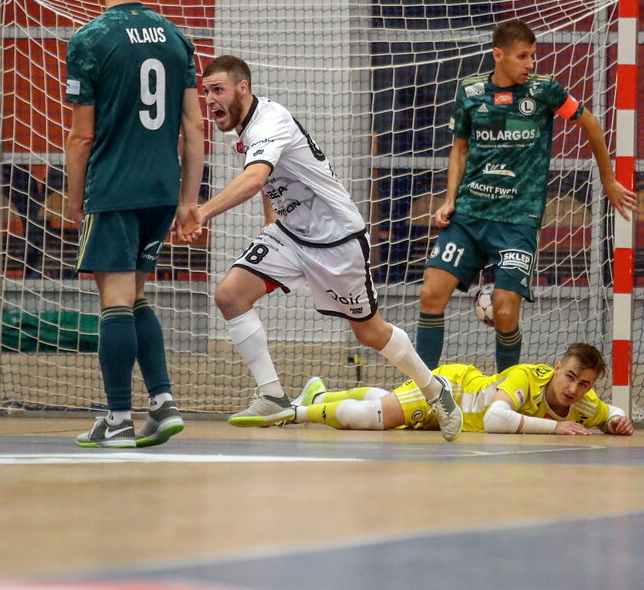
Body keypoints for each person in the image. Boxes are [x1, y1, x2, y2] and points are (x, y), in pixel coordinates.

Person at [180, 56, 464, 442]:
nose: (209, 100)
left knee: (369, 333)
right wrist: (271, 224)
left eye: (218, 90)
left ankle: (435, 391)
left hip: (337, 241)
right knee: (229, 295)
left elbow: (253, 177)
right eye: (205, 92)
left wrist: (202, 212)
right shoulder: (238, 129)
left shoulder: (271, 119)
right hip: (290, 234)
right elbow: (270, 177)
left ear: (242, 88)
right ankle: (273, 396)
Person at [415, 20, 638, 372]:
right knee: (430, 293)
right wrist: (448, 200)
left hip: (517, 220)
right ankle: (422, 389)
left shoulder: (544, 91)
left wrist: (608, 179)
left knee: (504, 311)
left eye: (533, 56)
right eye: (522, 57)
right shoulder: (470, 92)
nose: (530, 64)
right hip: (469, 215)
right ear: (498, 55)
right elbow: (459, 149)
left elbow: (591, 124)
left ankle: (506, 390)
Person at [64, 0, 204, 448]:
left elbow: (81, 134)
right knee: (139, 294)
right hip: (161, 188)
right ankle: (162, 402)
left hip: (115, 186)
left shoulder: (89, 39)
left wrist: (76, 198)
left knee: (115, 300)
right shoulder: (175, 38)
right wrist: (189, 200)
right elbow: (193, 127)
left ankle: (118, 418)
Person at [292, 342, 634, 436]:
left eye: (584, 384)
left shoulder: (584, 402)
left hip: (452, 420)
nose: (574, 389)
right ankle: (293, 413)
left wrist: (618, 421)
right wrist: (556, 427)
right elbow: (495, 420)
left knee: (385, 405)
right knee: (374, 418)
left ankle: (319, 395)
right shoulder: (526, 377)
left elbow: (609, 413)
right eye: (570, 377)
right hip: (450, 390)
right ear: (558, 368)